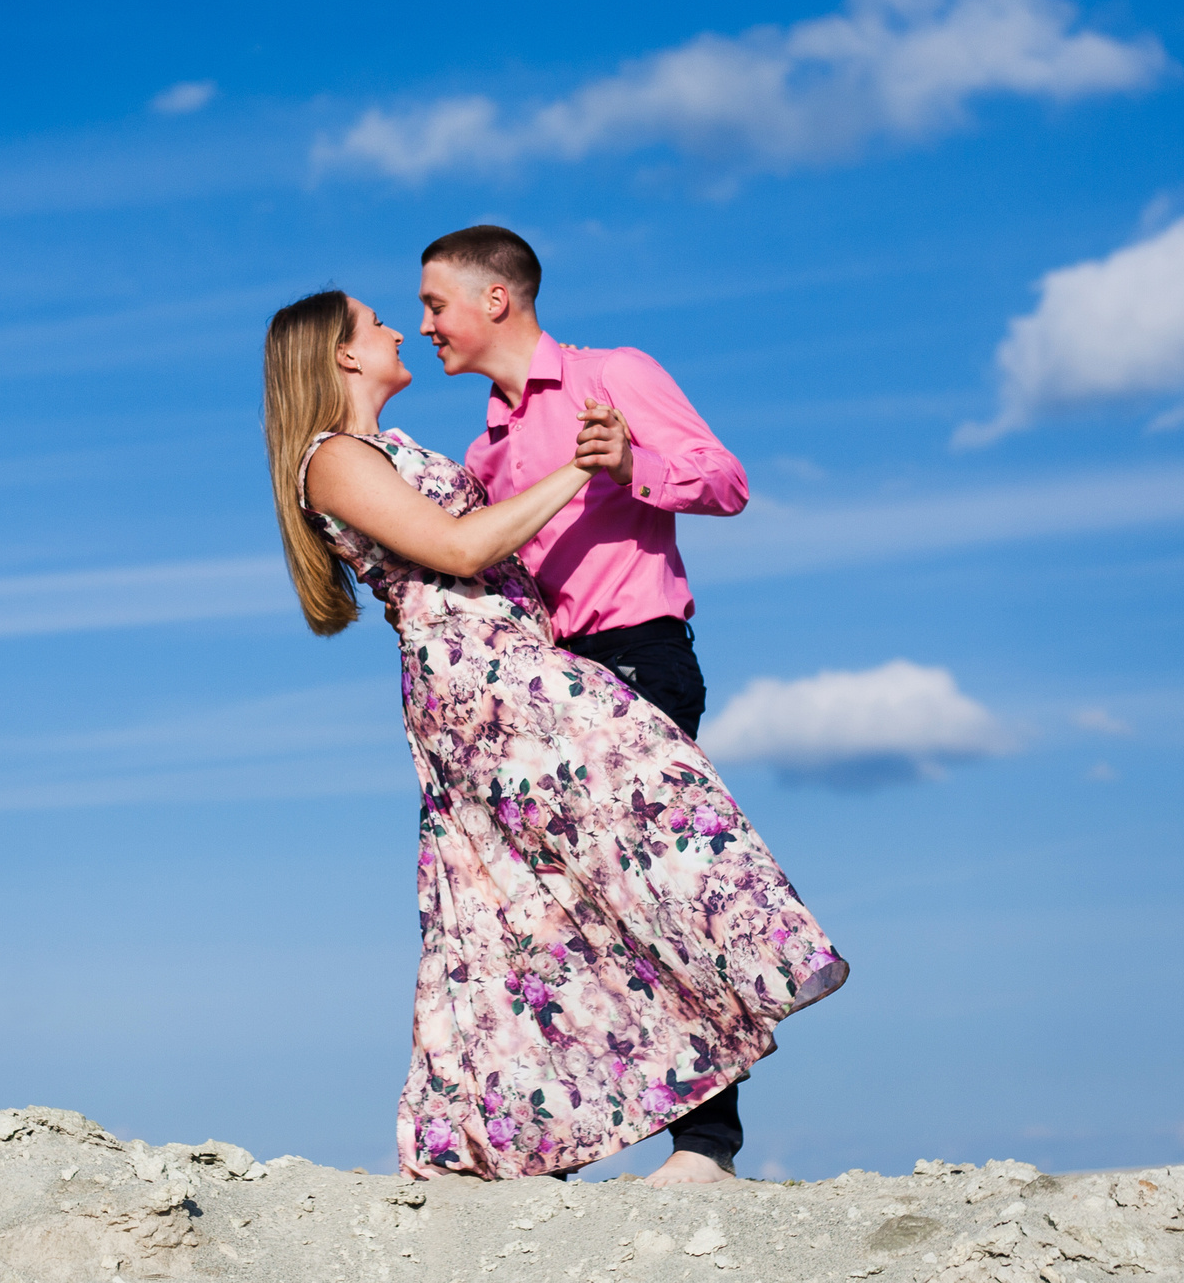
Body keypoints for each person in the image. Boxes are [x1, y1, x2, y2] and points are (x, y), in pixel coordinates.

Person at [263, 287, 844, 1187]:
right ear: (340, 356)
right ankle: (710, 1082)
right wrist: (582, 470)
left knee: (537, 905)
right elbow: (457, 550)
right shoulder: (332, 457)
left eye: (415, 307)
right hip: (484, 681)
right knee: (636, 823)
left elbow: (707, 483)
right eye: (378, 320)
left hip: (514, 664)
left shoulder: (400, 447)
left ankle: (550, 1138)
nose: (398, 328)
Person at [416, 224, 760, 1184]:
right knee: (564, 917)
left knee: (659, 891)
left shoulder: (616, 374)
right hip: (546, 692)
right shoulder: (481, 449)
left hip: (640, 659)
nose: (425, 324)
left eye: (434, 303)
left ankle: (704, 1146)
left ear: (497, 299)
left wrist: (632, 467)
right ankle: (555, 1146)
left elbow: (728, 482)